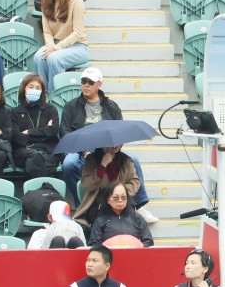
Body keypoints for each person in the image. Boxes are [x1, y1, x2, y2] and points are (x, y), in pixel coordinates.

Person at [57, 67, 157, 222]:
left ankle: (140, 204)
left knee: (134, 160)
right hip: (80, 149)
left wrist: (114, 149)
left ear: (99, 84)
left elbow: (120, 130)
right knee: (69, 163)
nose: (86, 85)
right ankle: (81, 203)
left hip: (107, 146)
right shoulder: (71, 106)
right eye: (83, 81)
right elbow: (65, 132)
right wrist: (84, 152)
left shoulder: (111, 106)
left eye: (90, 82)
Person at [33, 0, 89, 90]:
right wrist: (51, 46)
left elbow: (78, 32)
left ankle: (57, 96)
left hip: (78, 46)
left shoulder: (76, 1)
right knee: (39, 57)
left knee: (54, 58)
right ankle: (44, 94)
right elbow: (47, 31)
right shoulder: (46, 2)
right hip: (56, 44)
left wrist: (56, 48)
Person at [75, 146, 141, 225]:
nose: (116, 145)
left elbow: (135, 181)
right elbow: (88, 186)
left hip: (121, 201)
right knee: (104, 220)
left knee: (130, 217)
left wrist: (121, 192)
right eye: (111, 144)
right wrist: (103, 165)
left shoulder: (125, 160)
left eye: (119, 142)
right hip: (99, 203)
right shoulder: (92, 160)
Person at [10, 73, 59, 178]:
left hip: (47, 150)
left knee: (34, 161)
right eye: (31, 87)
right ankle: (45, 188)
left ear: (42, 91)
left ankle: (38, 190)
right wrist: (44, 132)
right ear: (24, 89)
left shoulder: (50, 109)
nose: (34, 90)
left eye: (38, 88)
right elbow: (16, 137)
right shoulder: (15, 112)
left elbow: (53, 131)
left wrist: (28, 132)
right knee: (34, 157)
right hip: (24, 151)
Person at [88, 182, 154, 248]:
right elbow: (94, 244)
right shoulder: (100, 220)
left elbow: (148, 241)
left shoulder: (137, 218)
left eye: (123, 197)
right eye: (116, 197)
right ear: (108, 199)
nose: (120, 200)